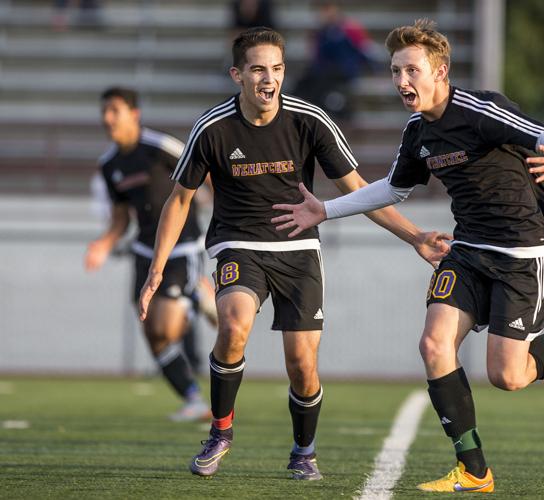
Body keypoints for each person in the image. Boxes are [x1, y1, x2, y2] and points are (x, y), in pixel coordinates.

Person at [271, 19, 544, 493]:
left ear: (440, 71)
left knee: (508, 375)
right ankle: (474, 469)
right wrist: (325, 209)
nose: (402, 81)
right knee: (433, 345)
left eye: (411, 71)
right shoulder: (418, 131)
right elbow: (394, 189)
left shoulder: (481, 110)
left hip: (524, 252)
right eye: (396, 71)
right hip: (467, 251)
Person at [138, 27, 450, 481]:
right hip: (238, 244)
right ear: (237, 75)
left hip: (299, 250)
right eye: (259, 69)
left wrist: (416, 237)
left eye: (278, 69)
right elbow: (179, 200)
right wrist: (156, 269)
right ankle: (220, 432)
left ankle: (304, 451)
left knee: (302, 365)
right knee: (233, 324)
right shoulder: (212, 128)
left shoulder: (311, 120)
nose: (270, 79)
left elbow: (358, 191)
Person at [85, 86, 213, 422]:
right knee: (152, 333)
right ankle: (193, 399)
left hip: (182, 247)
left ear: (134, 114)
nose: (108, 118)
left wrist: (218, 206)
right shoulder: (109, 164)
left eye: (114, 110)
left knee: (167, 327)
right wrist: (103, 243)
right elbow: (120, 217)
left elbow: (206, 171)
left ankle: (198, 295)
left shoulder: (160, 147)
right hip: (144, 251)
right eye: (104, 111)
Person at [293, 1, 377, 120]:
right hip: (324, 71)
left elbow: (365, 50)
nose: (325, 14)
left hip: (344, 70)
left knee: (318, 86)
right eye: (323, 10)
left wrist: (375, 69)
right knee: (303, 82)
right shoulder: (320, 32)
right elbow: (316, 58)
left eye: (328, 9)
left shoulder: (350, 28)